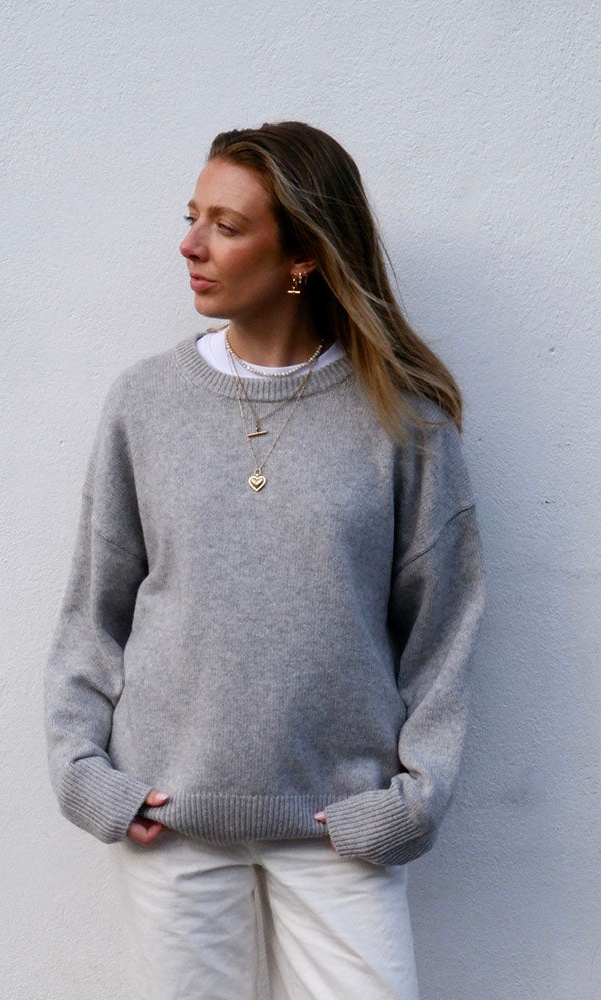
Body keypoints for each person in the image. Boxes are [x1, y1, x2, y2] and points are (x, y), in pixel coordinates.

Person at [43, 121, 487, 1000]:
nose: (191, 245)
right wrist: (84, 776)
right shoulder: (145, 401)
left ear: (303, 257)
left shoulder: (403, 421)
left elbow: (446, 627)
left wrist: (415, 800)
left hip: (339, 826)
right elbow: (94, 608)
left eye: (228, 226)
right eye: (192, 217)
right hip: (170, 820)